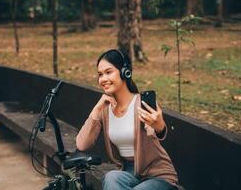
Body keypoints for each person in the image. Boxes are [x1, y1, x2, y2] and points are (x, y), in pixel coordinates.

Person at [76, 49, 178, 190]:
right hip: (129, 173)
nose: (103, 79)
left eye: (108, 72)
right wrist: (96, 110)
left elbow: (155, 131)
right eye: (100, 74)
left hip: (158, 175)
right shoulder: (105, 110)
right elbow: (82, 144)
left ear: (125, 72)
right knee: (111, 177)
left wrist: (159, 126)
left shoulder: (141, 103)